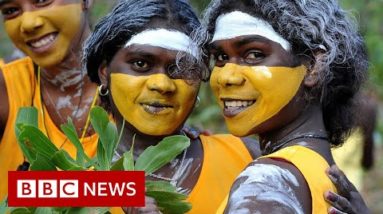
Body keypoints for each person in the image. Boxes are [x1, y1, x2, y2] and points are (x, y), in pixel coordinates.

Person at [83, 0, 258, 213]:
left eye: (180, 68)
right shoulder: (68, 174)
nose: (162, 84)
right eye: (141, 64)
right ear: (104, 72)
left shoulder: (250, 158)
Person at [203, 0, 369, 213]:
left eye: (254, 54)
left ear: (312, 66)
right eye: (221, 58)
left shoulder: (264, 187)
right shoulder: (314, 170)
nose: (226, 76)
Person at [0, 0, 99, 201]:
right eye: (11, 11)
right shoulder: (6, 90)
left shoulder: (143, 89)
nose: (27, 23)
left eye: (43, 1)